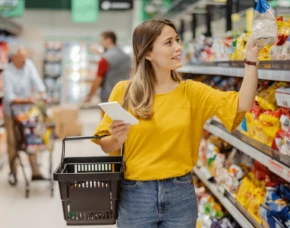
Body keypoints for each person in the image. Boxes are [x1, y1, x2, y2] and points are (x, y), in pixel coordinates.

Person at [92, 19, 261, 227]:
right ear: (148, 53)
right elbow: (104, 144)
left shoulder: (192, 92)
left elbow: (243, 103)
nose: (178, 47)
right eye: (169, 42)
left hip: (180, 194)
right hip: (136, 195)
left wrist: (251, 60)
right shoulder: (125, 91)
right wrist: (116, 138)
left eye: (177, 40)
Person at [3, 47, 48, 182]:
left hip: (27, 111)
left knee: (31, 138)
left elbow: (37, 81)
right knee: (12, 141)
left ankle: (35, 171)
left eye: (25, 57)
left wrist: (43, 94)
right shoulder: (7, 73)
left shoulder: (28, 65)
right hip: (12, 112)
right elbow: (10, 97)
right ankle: (13, 172)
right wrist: (27, 99)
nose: (24, 60)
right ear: (14, 58)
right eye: (21, 58)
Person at [85, 31, 132, 112]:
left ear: (108, 40)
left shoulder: (104, 60)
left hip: (108, 98)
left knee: (107, 123)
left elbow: (98, 79)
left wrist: (89, 96)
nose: (100, 43)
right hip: (125, 96)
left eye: (101, 41)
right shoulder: (127, 57)